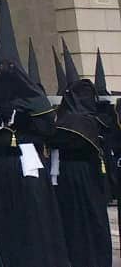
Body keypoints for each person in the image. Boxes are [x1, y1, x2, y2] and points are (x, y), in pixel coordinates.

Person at [0, 0, 70, 267]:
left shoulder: (34, 96)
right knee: (7, 213)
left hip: (30, 161)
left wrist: (27, 121)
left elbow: (48, 128)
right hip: (2, 164)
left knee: (37, 212)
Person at [52, 43, 110, 267]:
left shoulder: (69, 121)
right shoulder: (92, 119)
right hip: (84, 175)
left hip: (73, 174)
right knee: (90, 218)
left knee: (80, 219)